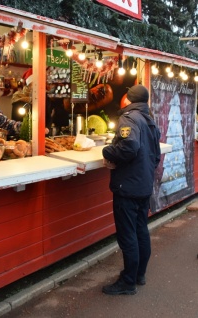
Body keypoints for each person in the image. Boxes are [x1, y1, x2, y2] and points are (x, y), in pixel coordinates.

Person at [102, 84, 161, 295]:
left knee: (128, 235)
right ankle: (139, 275)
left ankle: (128, 282)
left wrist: (108, 151)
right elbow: (156, 155)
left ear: (128, 99)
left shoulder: (129, 118)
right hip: (144, 185)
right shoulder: (149, 119)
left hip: (127, 186)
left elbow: (129, 146)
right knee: (140, 231)